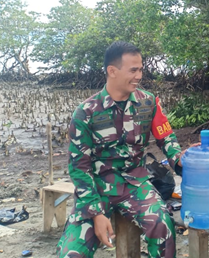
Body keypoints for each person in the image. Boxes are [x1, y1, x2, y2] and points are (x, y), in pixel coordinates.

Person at [57, 41, 182, 258]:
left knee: (163, 228)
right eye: (133, 70)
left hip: (136, 184)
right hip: (96, 189)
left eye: (141, 69)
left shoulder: (149, 102)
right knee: (71, 253)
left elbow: (166, 138)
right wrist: (95, 213)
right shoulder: (86, 112)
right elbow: (79, 167)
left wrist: (179, 159)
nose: (139, 76)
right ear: (112, 71)